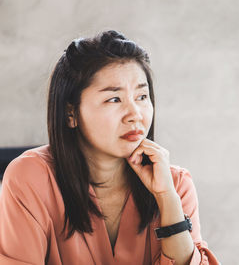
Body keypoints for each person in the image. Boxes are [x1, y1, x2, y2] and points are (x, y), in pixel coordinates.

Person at [0, 30, 219, 265]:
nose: (135, 115)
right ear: (70, 113)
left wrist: (167, 199)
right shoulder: (30, 176)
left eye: (142, 97)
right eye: (114, 99)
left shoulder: (174, 183)